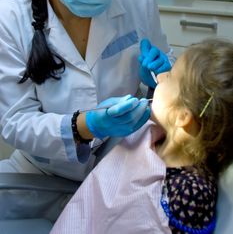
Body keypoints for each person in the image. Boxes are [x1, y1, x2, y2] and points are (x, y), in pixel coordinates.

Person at [0, 0, 174, 216]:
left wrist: (161, 77)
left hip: (119, 162)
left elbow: (167, 64)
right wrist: (85, 125)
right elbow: (14, 122)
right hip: (40, 173)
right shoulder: (8, 17)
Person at [51, 38, 233, 234]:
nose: (160, 77)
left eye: (170, 76)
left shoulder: (190, 193)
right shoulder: (155, 133)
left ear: (182, 117)